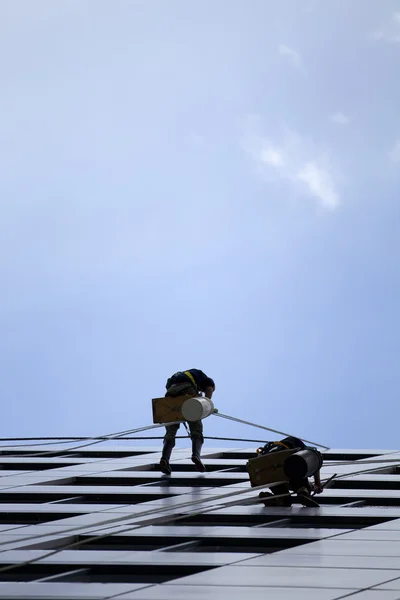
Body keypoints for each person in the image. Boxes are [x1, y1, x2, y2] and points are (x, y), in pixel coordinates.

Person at [160, 369, 215, 476]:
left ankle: (164, 459)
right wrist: (207, 405)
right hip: (187, 389)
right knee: (196, 426)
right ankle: (196, 455)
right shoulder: (203, 378)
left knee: (171, 431)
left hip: (170, 393)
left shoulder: (179, 376)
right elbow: (209, 388)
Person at [257, 436, 323, 507]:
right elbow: (314, 457)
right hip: (287, 462)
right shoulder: (295, 442)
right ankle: (303, 492)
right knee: (299, 471)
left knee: (285, 500)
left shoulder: (268, 449)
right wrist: (317, 483)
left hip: (266, 469)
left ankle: (274, 498)